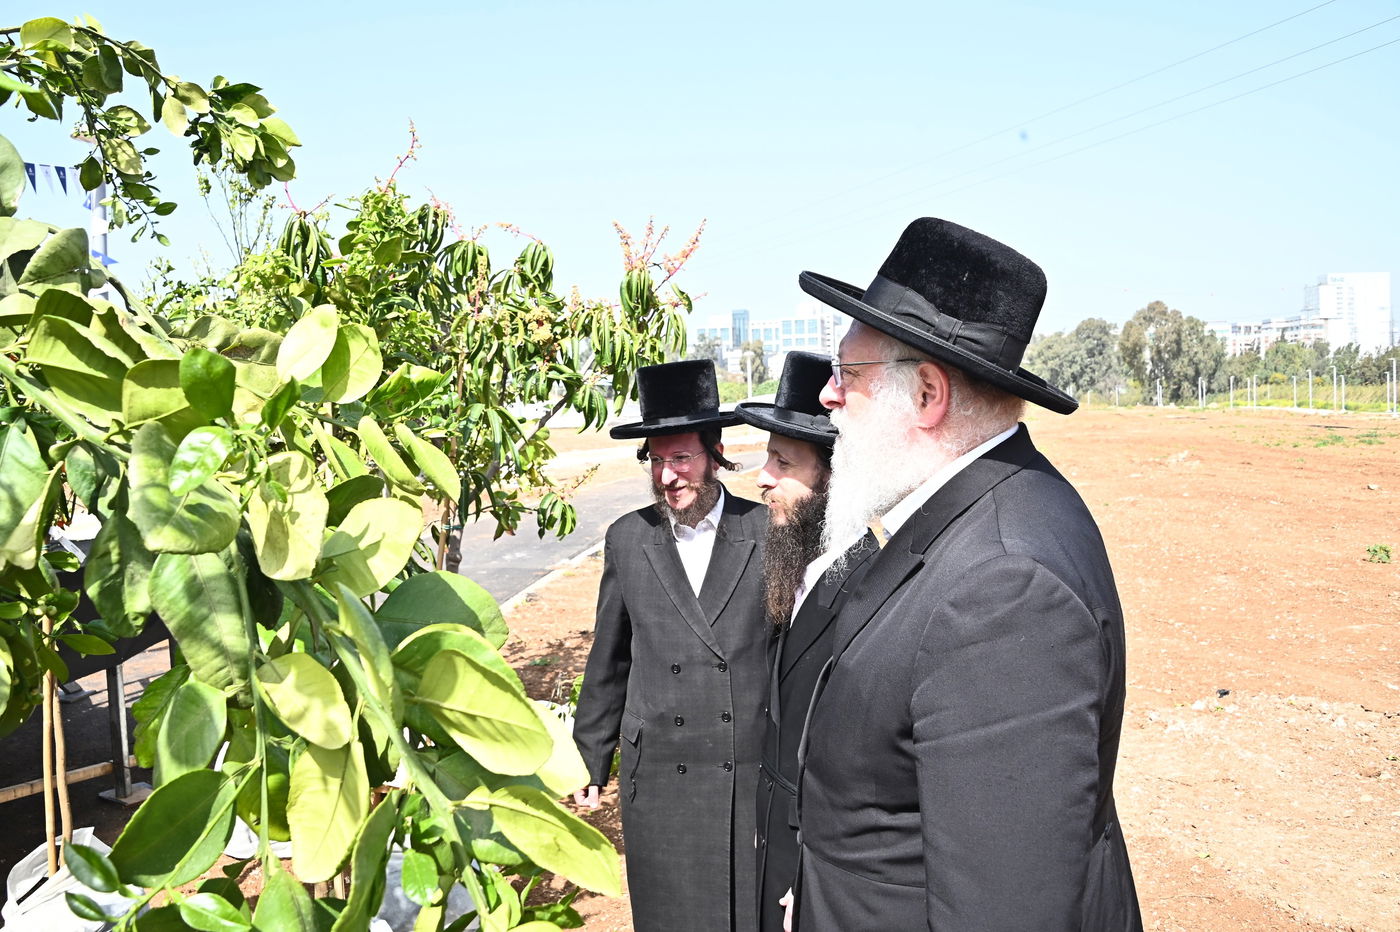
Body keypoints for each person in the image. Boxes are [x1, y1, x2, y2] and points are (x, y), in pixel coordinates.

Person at [794, 218, 1142, 930]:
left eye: (845, 374)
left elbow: (1005, 909)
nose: (826, 397)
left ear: (927, 394)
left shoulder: (1007, 590)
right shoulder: (952, 507)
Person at [572, 358, 770, 932]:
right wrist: (591, 755)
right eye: (656, 461)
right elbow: (609, 657)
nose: (667, 476)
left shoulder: (766, 531)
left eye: (680, 458)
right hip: (658, 775)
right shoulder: (630, 539)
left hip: (745, 771)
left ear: (714, 453)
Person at [735, 352, 881, 932]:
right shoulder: (792, 567)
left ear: (831, 478)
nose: (763, 476)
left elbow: (855, 769)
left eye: (782, 461)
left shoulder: (867, 588)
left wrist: (814, 877)